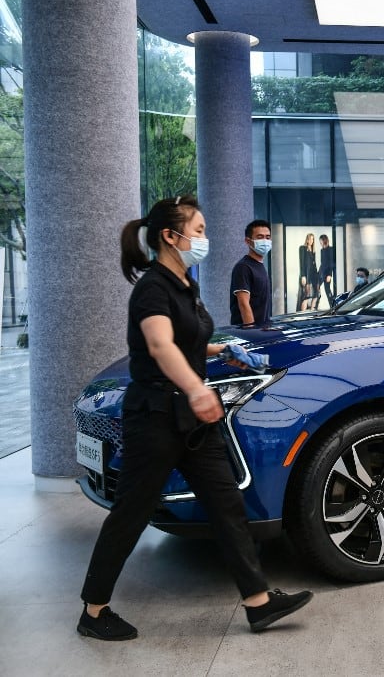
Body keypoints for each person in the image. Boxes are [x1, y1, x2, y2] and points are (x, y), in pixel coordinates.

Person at [78, 195, 312, 641]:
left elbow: (186, 340)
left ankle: (258, 602)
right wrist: (196, 388)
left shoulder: (185, 284)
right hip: (155, 417)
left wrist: (224, 350)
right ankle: (93, 611)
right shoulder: (153, 287)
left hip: (189, 420)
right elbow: (160, 345)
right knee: (131, 512)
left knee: (226, 504)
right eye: (198, 230)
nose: (204, 238)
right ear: (171, 236)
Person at [229, 219, 272, 327]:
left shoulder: (259, 265)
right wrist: (251, 330)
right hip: (249, 332)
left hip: (262, 330)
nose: (265, 241)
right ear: (248, 241)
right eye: (260, 237)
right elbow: (243, 303)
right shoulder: (243, 267)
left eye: (267, 237)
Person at [296, 233, 317, 311]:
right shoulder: (302, 248)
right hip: (306, 276)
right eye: (310, 239)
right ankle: (302, 315)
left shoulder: (313, 251)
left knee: (315, 295)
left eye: (313, 239)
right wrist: (303, 276)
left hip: (313, 276)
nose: (311, 241)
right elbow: (301, 263)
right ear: (307, 240)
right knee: (306, 296)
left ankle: (311, 313)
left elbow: (314, 265)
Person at [317, 234, 336, 308]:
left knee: (327, 289)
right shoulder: (322, 250)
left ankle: (333, 306)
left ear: (324, 240)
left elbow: (331, 262)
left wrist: (330, 275)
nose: (320, 242)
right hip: (321, 272)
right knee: (316, 286)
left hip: (327, 273)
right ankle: (316, 304)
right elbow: (322, 263)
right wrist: (318, 273)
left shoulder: (331, 249)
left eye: (321, 241)